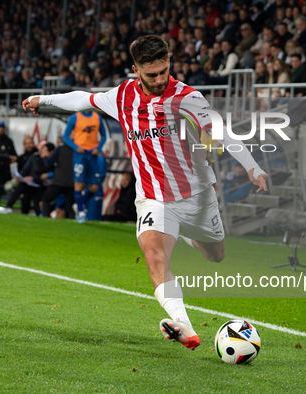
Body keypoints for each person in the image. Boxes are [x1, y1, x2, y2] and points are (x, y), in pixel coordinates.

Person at [23, 35, 268, 351]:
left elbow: (221, 134)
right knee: (154, 254)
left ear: (169, 63)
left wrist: (251, 166)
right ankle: (185, 327)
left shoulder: (188, 98)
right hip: (153, 196)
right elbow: (83, 99)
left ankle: (188, 235)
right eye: (150, 74)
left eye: (163, 71)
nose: (158, 80)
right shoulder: (123, 95)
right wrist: (43, 100)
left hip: (197, 196)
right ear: (135, 69)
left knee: (215, 255)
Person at [63, 110, 107, 223]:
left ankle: (79, 205)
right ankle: (81, 212)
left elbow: (104, 136)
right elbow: (65, 136)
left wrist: (98, 148)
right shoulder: (75, 117)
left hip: (92, 154)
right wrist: (75, 147)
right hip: (80, 154)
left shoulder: (97, 117)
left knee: (94, 187)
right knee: (79, 182)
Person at [0, 142, 54, 215]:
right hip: (32, 182)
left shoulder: (51, 159)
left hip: (42, 185)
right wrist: (19, 177)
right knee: (20, 187)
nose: (41, 150)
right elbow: (26, 169)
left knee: (37, 206)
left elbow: (49, 168)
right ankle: (8, 206)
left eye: (43, 148)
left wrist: (44, 158)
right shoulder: (35, 156)